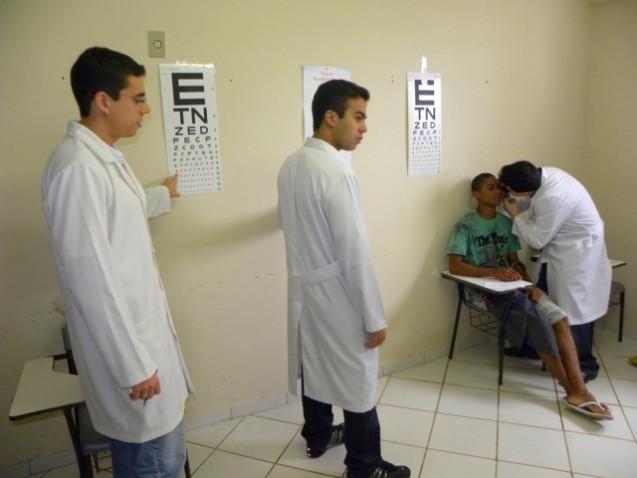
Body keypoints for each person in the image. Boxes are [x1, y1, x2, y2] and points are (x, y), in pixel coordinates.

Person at [41, 47, 194, 477]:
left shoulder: (101, 159)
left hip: (144, 343)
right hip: (131, 359)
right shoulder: (78, 169)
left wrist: (160, 194)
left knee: (166, 458)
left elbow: (115, 215)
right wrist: (133, 366)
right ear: (103, 100)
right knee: (149, 464)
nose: (146, 109)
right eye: (138, 98)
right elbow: (89, 278)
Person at [277, 80, 411, 478]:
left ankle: (317, 435)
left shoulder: (292, 164)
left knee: (314, 364)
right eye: (359, 117)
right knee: (358, 380)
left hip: (305, 286)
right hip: (337, 292)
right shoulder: (336, 173)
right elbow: (353, 252)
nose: (364, 127)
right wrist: (374, 317)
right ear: (330, 117)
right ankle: (365, 466)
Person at [447, 173, 612, 420]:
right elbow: (456, 266)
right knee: (536, 320)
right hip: (486, 289)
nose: (498, 193)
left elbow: (515, 261)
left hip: (516, 286)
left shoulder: (506, 223)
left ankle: (578, 388)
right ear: (476, 195)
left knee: (559, 317)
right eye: (491, 188)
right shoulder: (466, 225)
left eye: (500, 188)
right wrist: (493, 273)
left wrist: (529, 284)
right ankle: (573, 390)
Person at [499, 161, 612, 382]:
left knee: (575, 311)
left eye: (508, 189)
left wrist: (516, 215)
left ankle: (585, 365)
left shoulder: (553, 197)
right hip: (559, 251)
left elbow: (537, 240)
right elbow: (538, 208)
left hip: (577, 255)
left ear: (524, 191)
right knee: (537, 298)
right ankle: (534, 348)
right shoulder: (546, 174)